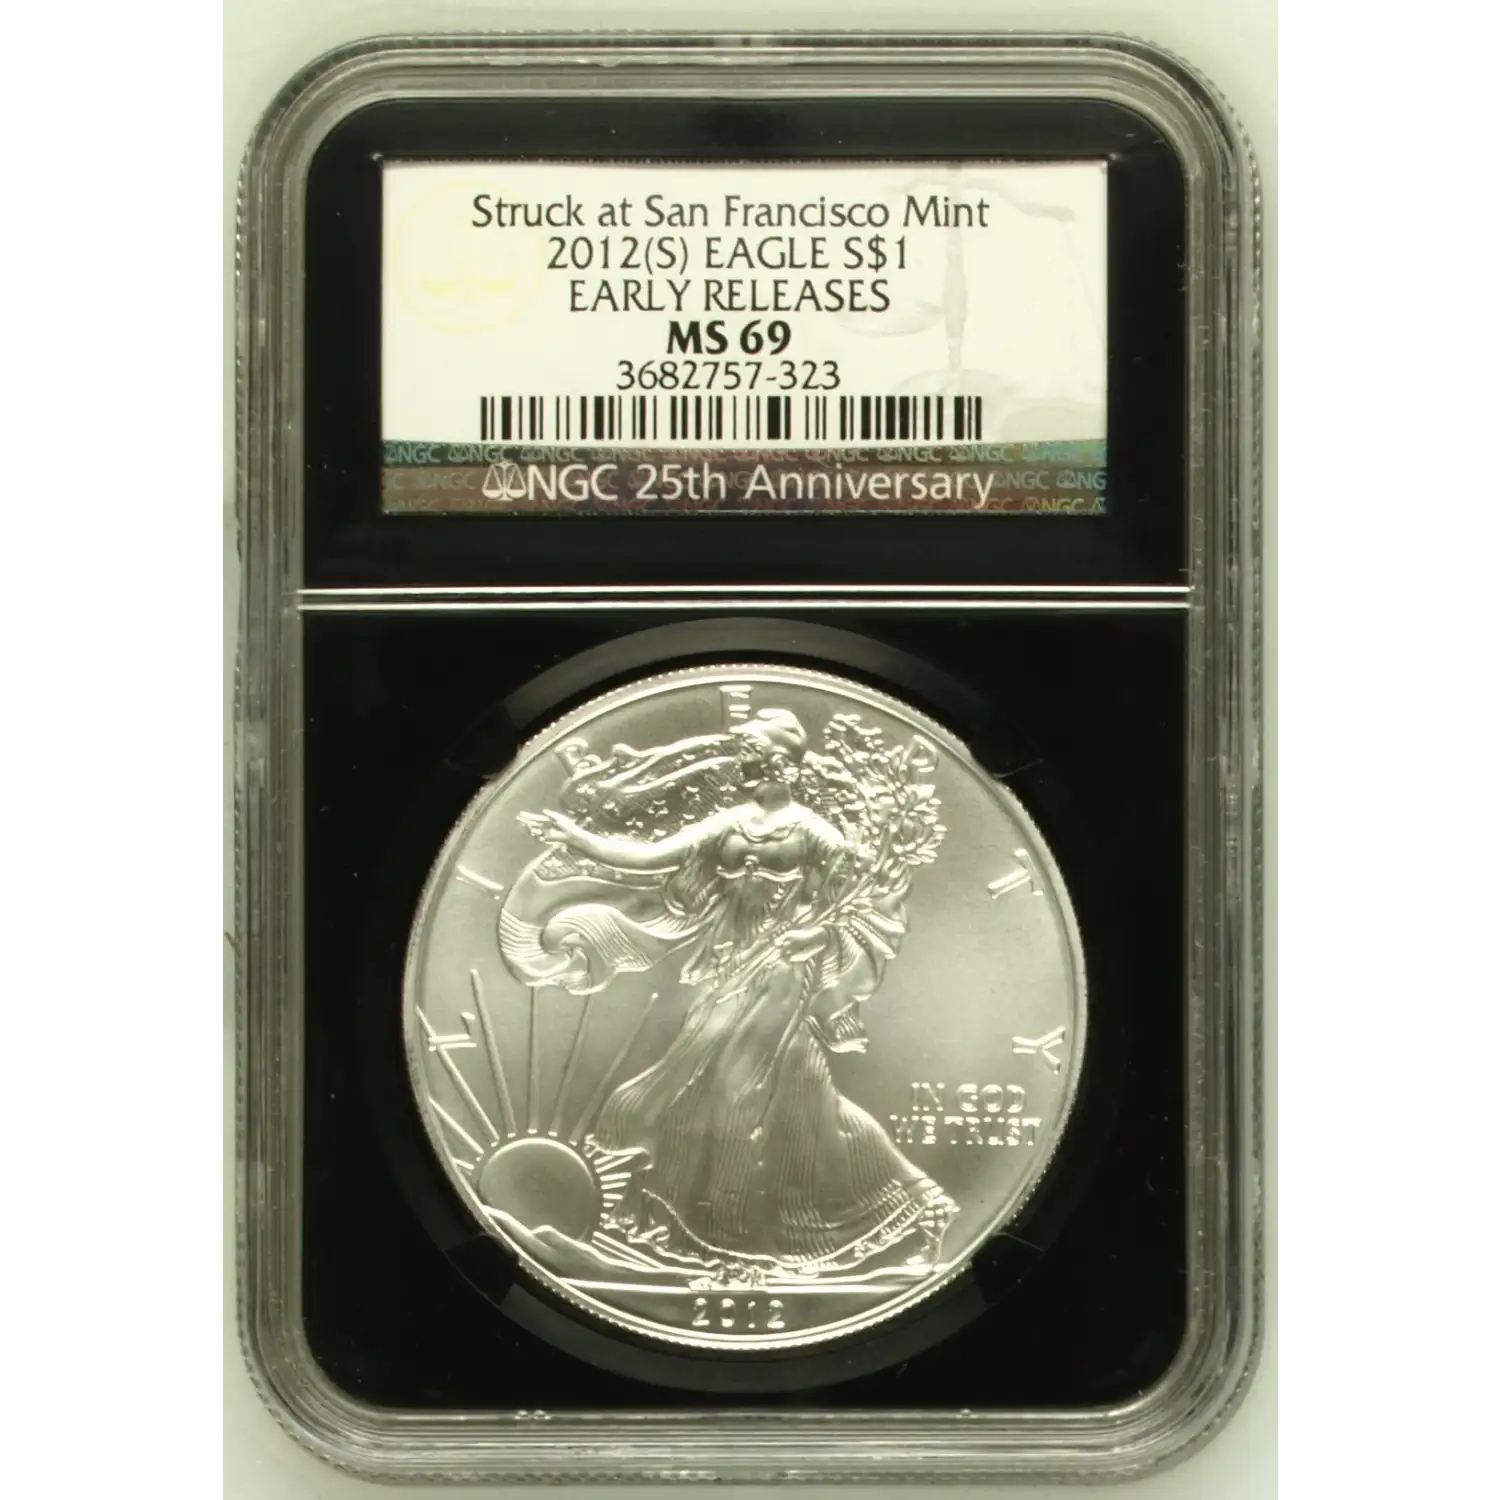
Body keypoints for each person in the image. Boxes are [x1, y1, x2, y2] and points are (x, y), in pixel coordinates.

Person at [503, 707, 955, 1275]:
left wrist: (815, 935)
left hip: (784, 972)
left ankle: (738, 1239)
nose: (740, 762)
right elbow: (648, 857)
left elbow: (860, 908)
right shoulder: (730, 824)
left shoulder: (816, 834)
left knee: (738, 1092)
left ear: (779, 763)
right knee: (774, 1093)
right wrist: (576, 838)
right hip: (728, 968)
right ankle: (907, 1204)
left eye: (750, 753)